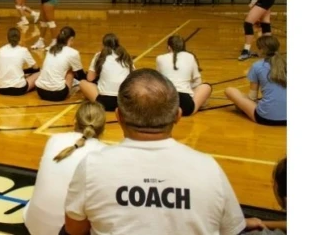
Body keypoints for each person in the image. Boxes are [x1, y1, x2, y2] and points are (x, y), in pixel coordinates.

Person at [63, 69, 261, 235]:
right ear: (178, 116)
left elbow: (74, 230)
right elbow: (232, 230)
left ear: (118, 116)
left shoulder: (92, 165)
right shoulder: (209, 168)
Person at [23, 102, 107, 235]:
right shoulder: (104, 153)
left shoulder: (54, 139)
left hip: (33, 225)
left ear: (75, 121)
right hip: (66, 229)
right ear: (103, 128)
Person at [225, 36, 286, 126]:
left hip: (266, 118)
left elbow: (252, 97)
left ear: (261, 50)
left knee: (230, 90)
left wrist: (241, 104)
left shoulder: (257, 66)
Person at [156, 35, 212, 116]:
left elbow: (158, 81)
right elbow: (198, 81)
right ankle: (197, 104)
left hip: (166, 103)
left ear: (169, 47)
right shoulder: (190, 57)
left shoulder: (160, 58)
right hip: (185, 103)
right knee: (206, 86)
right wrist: (189, 90)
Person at [79, 33, 134, 111]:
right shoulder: (125, 56)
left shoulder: (99, 56)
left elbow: (90, 78)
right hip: (123, 101)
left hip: (104, 102)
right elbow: (134, 76)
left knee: (82, 83)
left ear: (103, 44)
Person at [35, 27, 84, 101]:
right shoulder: (73, 53)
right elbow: (80, 75)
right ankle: (72, 88)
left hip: (40, 91)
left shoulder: (51, 49)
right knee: (71, 70)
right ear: (71, 39)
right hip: (58, 94)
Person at [0, 27, 40, 96]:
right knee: (39, 73)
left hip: (1, 88)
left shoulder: (0, 50)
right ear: (19, 38)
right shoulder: (23, 50)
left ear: (7, 38)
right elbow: (36, 68)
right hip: (18, 89)